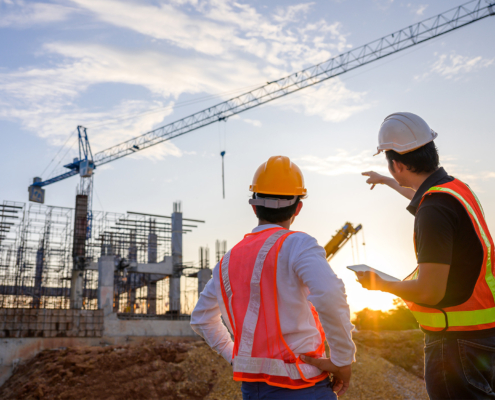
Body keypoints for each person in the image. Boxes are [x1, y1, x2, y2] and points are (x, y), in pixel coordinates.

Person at [354, 112, 495, 399]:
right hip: (483, 337)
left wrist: (378, 283)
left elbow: (430, 291)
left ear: (397, 164)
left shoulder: (433, 210)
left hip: (455, 346)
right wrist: (386, 181)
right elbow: (420, 193)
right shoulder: (454, 189)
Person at [190, 155, 355, 399]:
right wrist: (342, 360)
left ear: (254, 206)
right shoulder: (298, 244)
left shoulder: (228, 260)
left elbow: (202, 319)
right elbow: (330, 294)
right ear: (298, 207)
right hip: (303, 387)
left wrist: (235, 357)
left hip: (253, 390)